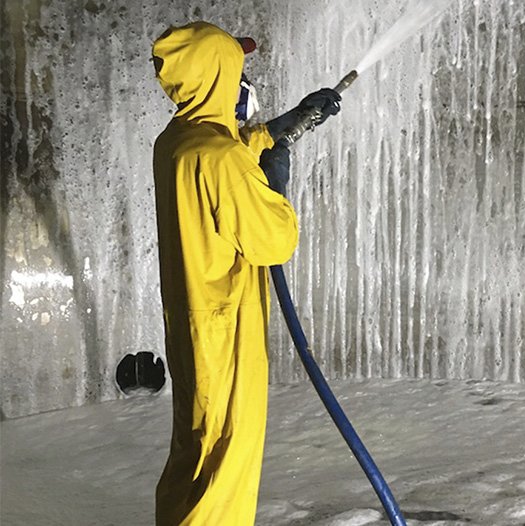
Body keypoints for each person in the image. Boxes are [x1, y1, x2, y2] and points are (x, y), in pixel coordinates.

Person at [150, 21, 340, 525]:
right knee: (225, 460)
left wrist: (289, 123)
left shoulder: (177, 141)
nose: (243, 76)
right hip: (226, 330)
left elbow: (230, 149)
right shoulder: (223, 158)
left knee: (194, 451)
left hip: (195, 326)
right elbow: (272, 240)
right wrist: (276, 186)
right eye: (237, 66)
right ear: (217, 73)